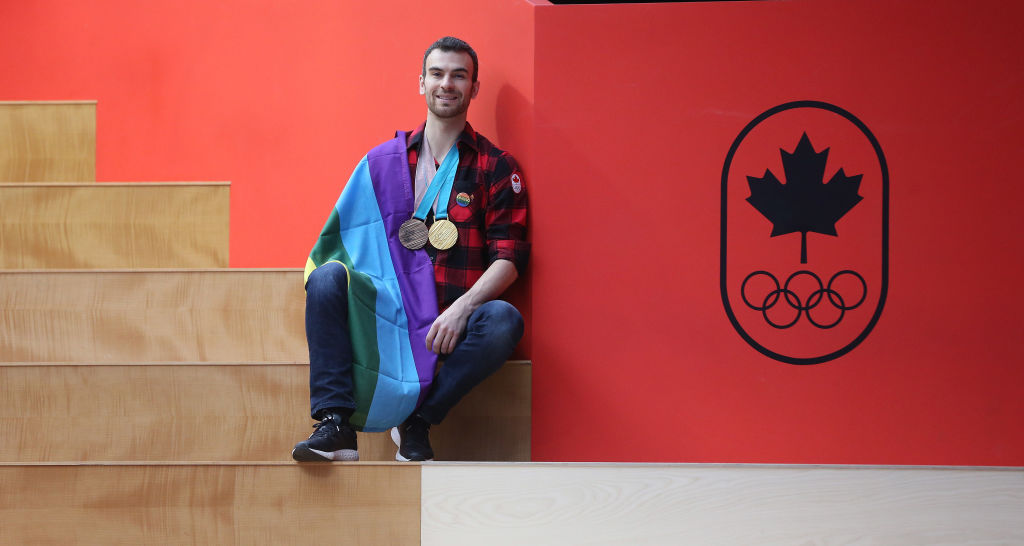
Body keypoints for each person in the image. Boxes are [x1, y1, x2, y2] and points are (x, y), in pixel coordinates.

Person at [292, 36, 529, 462]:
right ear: (421, 83)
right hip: (387, 315)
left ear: (474, 88)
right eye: (437, 74)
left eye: (459, 75)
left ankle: (418, 422)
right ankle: (335, 424)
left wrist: (461, 310)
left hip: (446, 323)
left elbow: (508, 258)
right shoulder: (383, 161)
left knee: (503, 320)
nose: (447, 83)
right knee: (326, 275)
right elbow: (348, 244)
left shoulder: (496, 166)